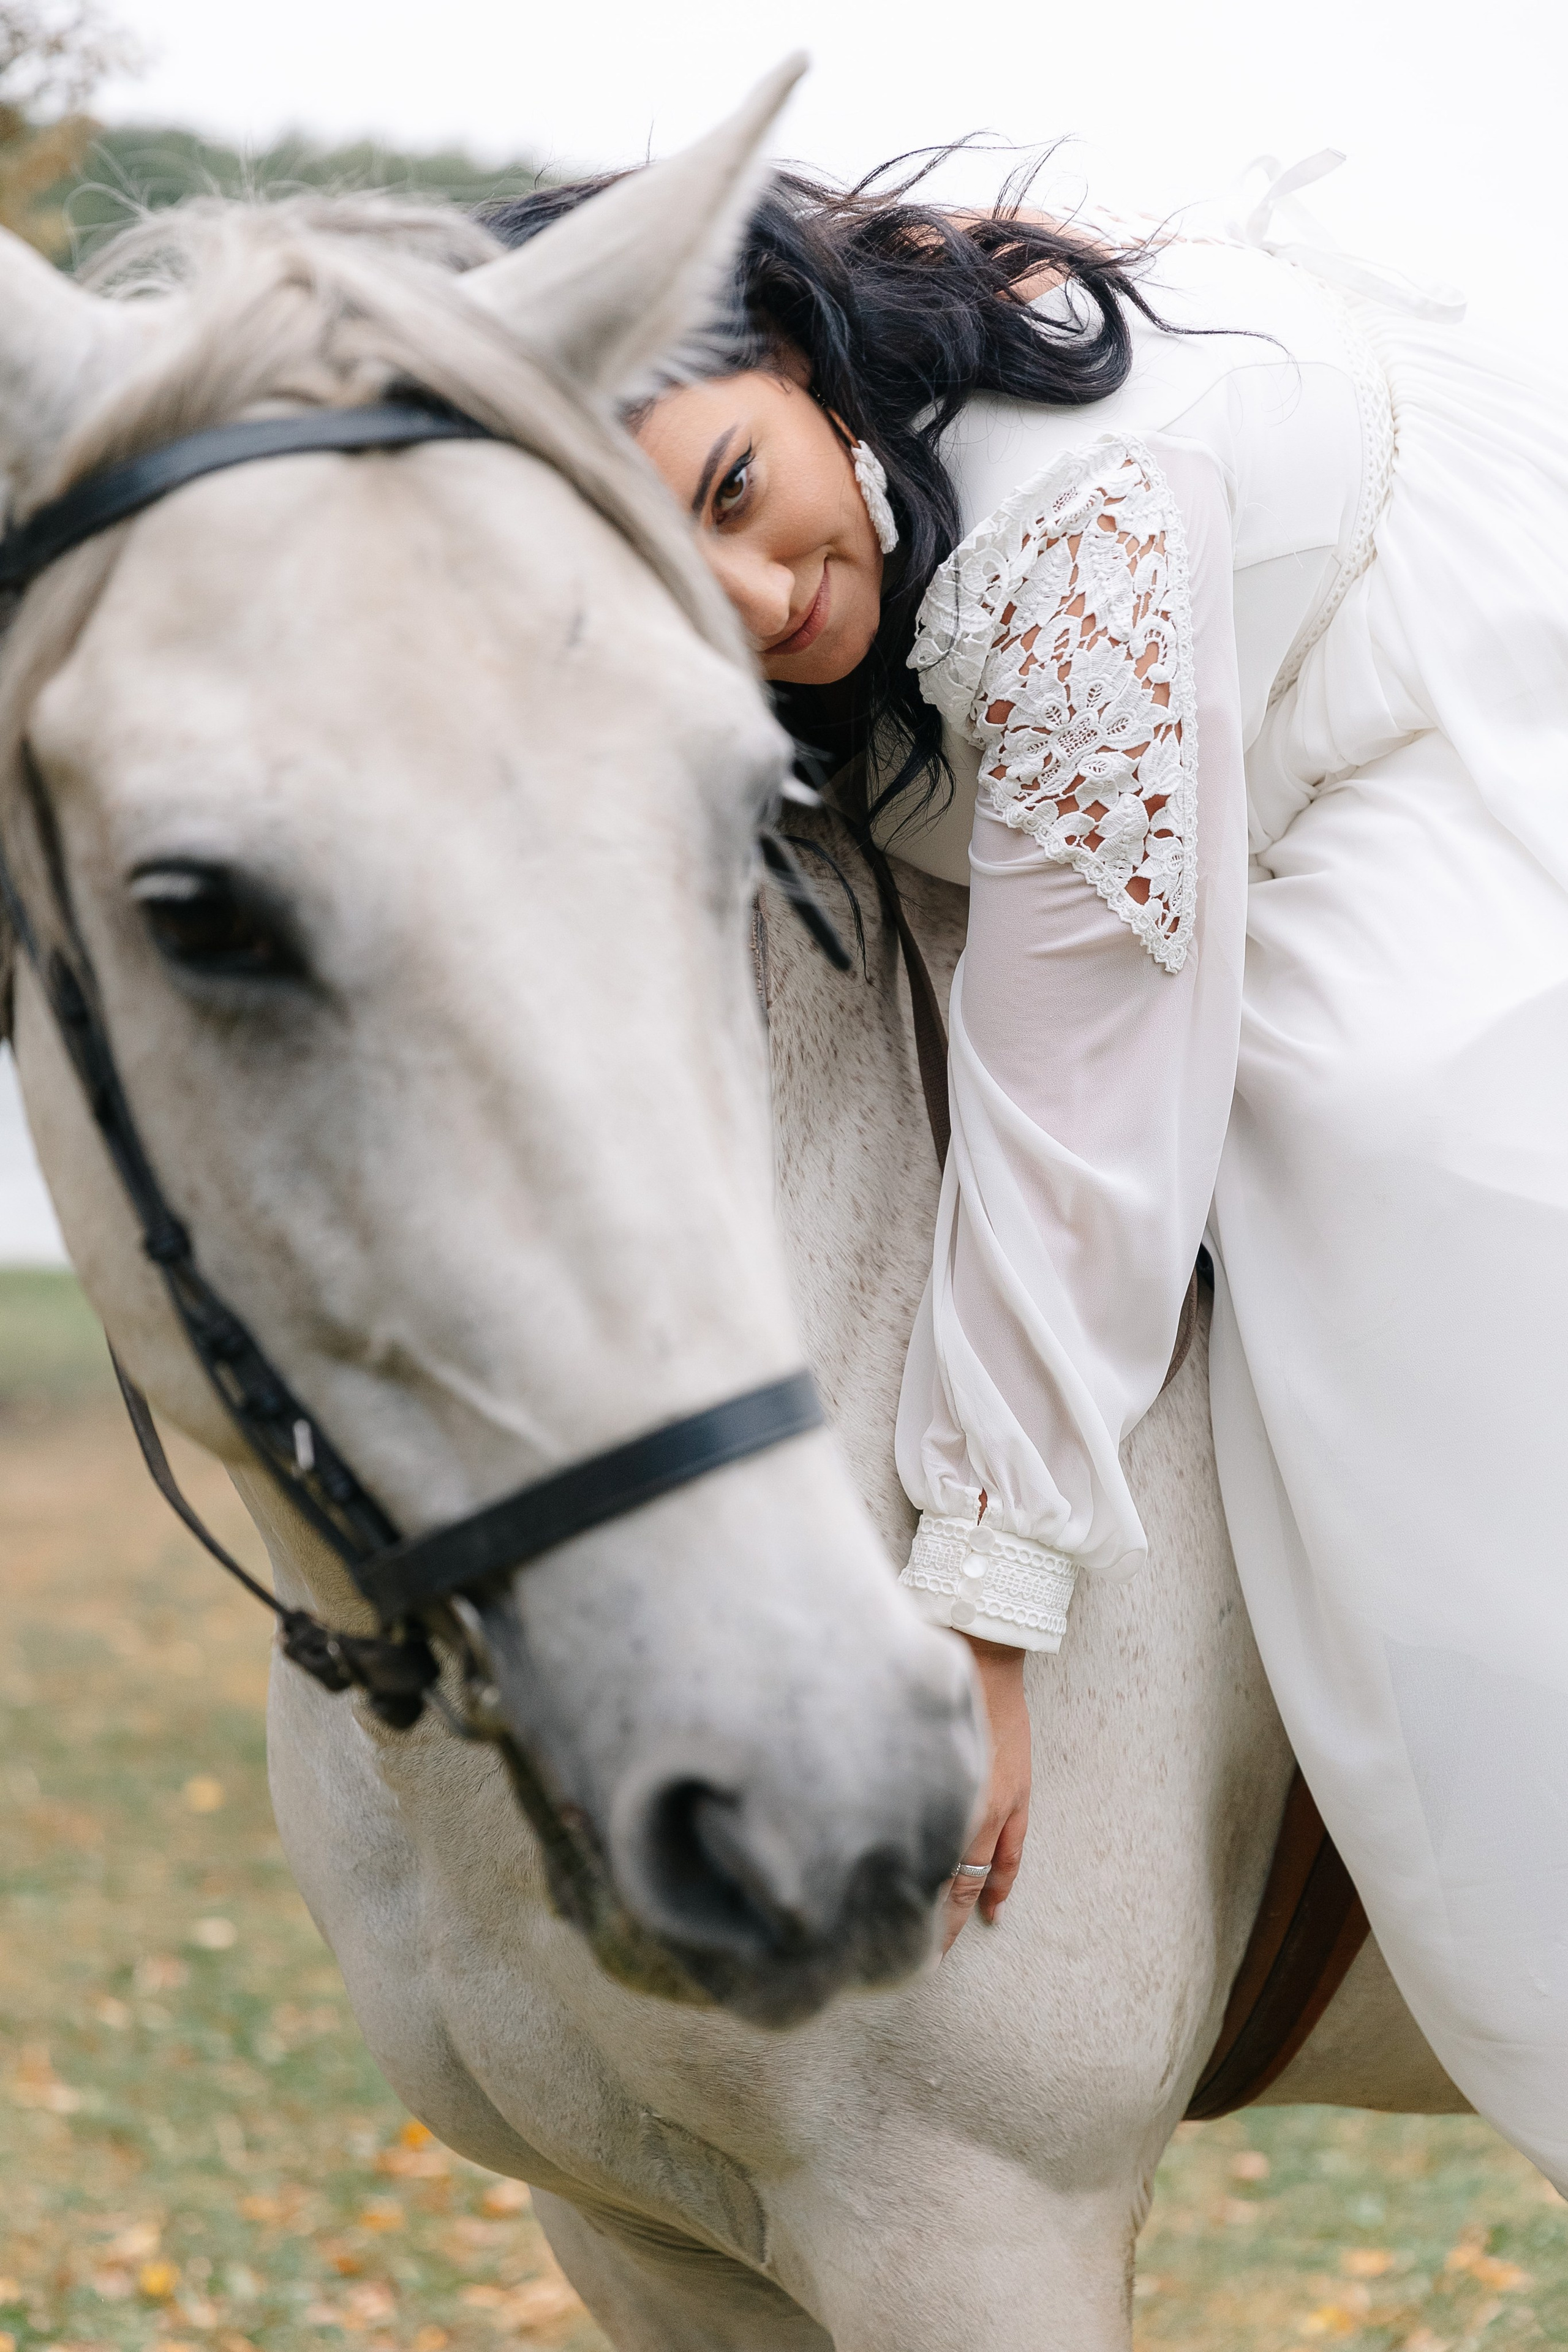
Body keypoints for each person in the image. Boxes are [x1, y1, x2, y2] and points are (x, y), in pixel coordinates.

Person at [485, 154, 1568, 2182]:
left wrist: (979, 1618)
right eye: (660, 583)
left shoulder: (1063, 566)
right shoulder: (852, 541)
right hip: (1191, 744)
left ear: (799, 361)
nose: (754, 606)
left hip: (1412, 697)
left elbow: (1079, 1108)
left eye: (731, 493)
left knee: (1384, 1128)